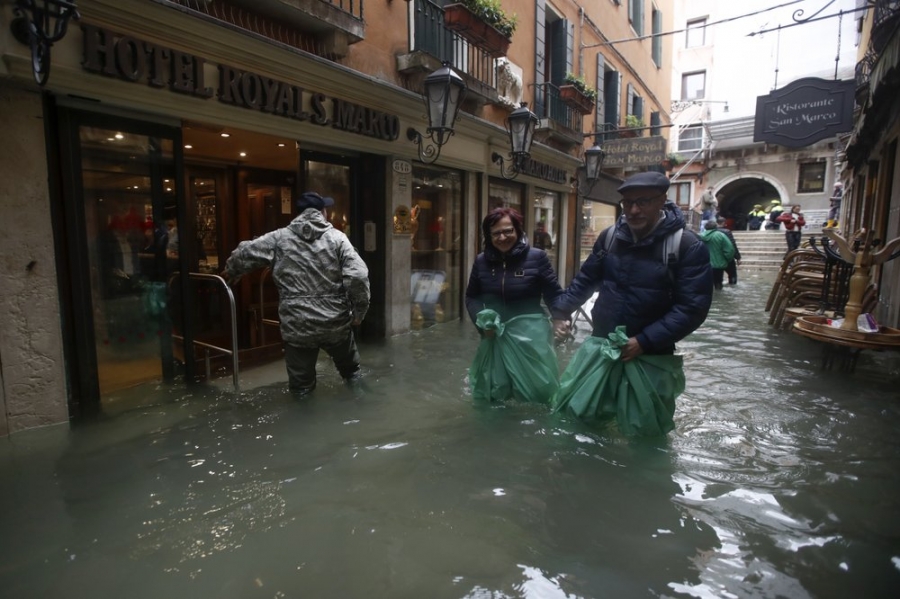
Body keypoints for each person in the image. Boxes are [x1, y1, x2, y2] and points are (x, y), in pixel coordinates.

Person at [552, 171, 713, 361]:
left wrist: (644, 341)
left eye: (643, 202)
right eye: (628, 203)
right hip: (604, 344)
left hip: (653, 355)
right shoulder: (609, 237)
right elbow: (586, 280)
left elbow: (692, 308)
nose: (634, 210)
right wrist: (561, 312)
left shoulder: (687, 245)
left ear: (662, 201)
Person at [222, 191, 370, 395]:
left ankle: (304, 418)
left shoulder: (279, 238)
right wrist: (359, 312)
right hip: (335, 323)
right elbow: (358, 275)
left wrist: (232, 271)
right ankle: (362, 409)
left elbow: (244, 254)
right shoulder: (338, 239)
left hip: (298, 325)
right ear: (322, 212)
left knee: (302, 388)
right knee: (352, 374)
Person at [465, 207, 567, 402]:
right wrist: (481, 323)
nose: (502, 237)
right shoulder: (481, 261)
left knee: (540, 396)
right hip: (493, 335)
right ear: (488, 236)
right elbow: (472, 297)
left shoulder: (537, 257)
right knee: (494, 395)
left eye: (508, 231)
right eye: (496, 233)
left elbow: (553, 294)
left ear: (518, 230)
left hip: (531, 339)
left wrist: (559, 318)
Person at [701, 221, 736, 290]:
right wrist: (727, 260)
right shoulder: (721, 236)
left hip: (704, 265)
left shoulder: (700, 236)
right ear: (715, 227)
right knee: (718, 284)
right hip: (718, 265)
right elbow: (730, 250)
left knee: (706, 285)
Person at [716, 217, 741, 285]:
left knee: (717, 278)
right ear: (724, 223)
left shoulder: (712, 232)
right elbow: (733, 245)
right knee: (732, 275)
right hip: (727, 257)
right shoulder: (727, 232)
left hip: (715, 258)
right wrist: (738, 257)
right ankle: (732, 287)